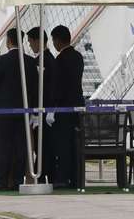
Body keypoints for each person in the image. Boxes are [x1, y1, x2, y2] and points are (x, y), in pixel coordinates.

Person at [0, 28, 37, 191]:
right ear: (22, 41)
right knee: (20, 146)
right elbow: (34, 87)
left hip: (2, 111)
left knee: (2, 146)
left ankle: (1, 180)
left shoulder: (1, 61)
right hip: (24, 111)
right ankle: (17, 180)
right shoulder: (30, 62)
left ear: (9, 41)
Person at [51, 25, 84, 189]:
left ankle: (63, 177)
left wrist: (53, 106)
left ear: (57, 40)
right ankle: (76, 177)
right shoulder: (78, 57)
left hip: (63, 108)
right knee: (75, 143)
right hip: (78, 106)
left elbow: (57, 87)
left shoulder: (60, 60)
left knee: (63, 144)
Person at [26, 27, 56, 183]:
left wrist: (37, 112)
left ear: (37, 40)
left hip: (43, 110)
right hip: (44, 110)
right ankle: (44, 175)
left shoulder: (42, 61)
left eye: (30, 42)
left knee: (42, 146)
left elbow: (41, 89)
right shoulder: (49, 59)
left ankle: (41, 175)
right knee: (43, 146)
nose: (30, 46)